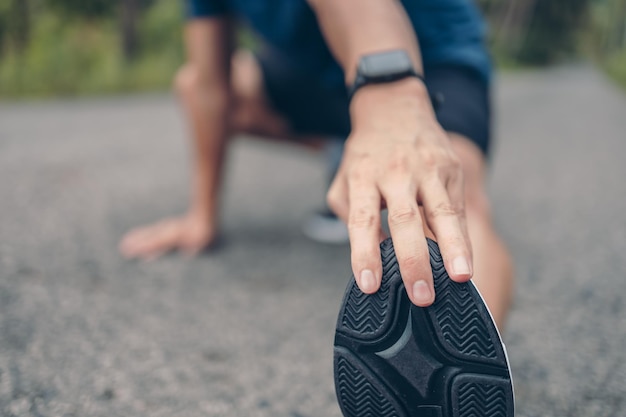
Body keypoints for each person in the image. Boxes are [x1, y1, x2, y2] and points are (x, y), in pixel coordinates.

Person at [120, 0, 512, 343]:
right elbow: (210, 86)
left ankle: (463, 376)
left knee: (449, 203)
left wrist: (390, 93)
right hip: (323, 74)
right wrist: (201, 217)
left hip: (430, 59)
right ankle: (353, 148)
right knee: (191, 84)